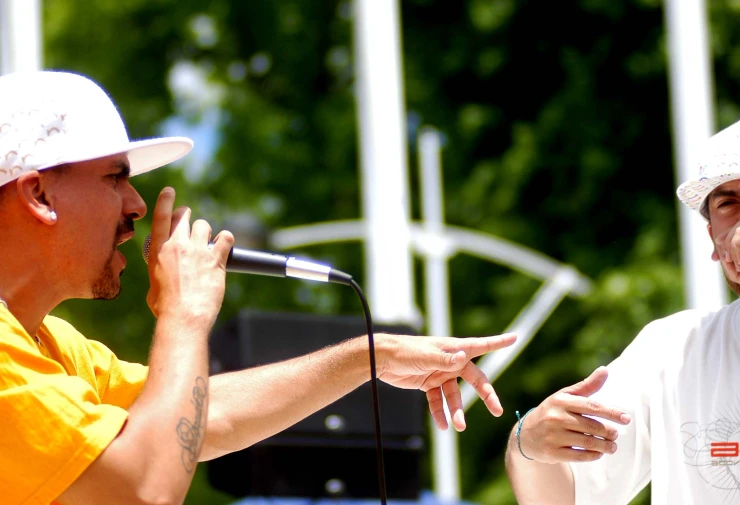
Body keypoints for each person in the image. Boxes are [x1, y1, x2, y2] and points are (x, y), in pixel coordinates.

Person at [0, 70, 517, 505]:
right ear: (39, 192)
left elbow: (199, 415)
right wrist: (186, 312)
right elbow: (145, 489)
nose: (137, 204)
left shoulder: (50, 345)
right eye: (114, 178)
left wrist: (370, 357)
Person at [505, 113, 740, 505]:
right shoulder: (672, 347)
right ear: (713, 240)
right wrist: (528, 445)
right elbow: (565, 498)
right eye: (727, 203)